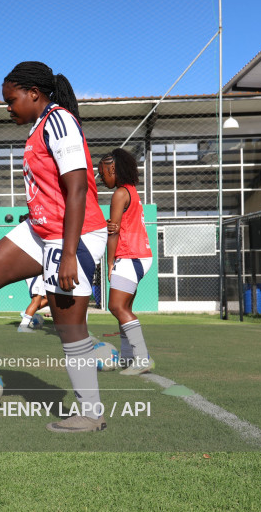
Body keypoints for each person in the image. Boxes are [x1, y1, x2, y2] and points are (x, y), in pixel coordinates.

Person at [0, 61, 108, 433]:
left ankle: (91, 413)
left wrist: (67, 252)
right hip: (41, 229)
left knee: (69, 328)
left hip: (72, 234)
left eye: (11, 100)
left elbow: (77, 188)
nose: (8, 108)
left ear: (34, 93)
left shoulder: (59, 120)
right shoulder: (38, 127)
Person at [97, 148, 154, 375]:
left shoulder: (120, 193)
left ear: (113, 168)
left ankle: (141, 359)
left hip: (129, 255)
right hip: (141, 256)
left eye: (103, 173)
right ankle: (128, 357)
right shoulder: (132, 191)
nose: (101, 178)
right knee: (125, 308)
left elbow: (114, 232)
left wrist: (110, 263)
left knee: (116, 306)